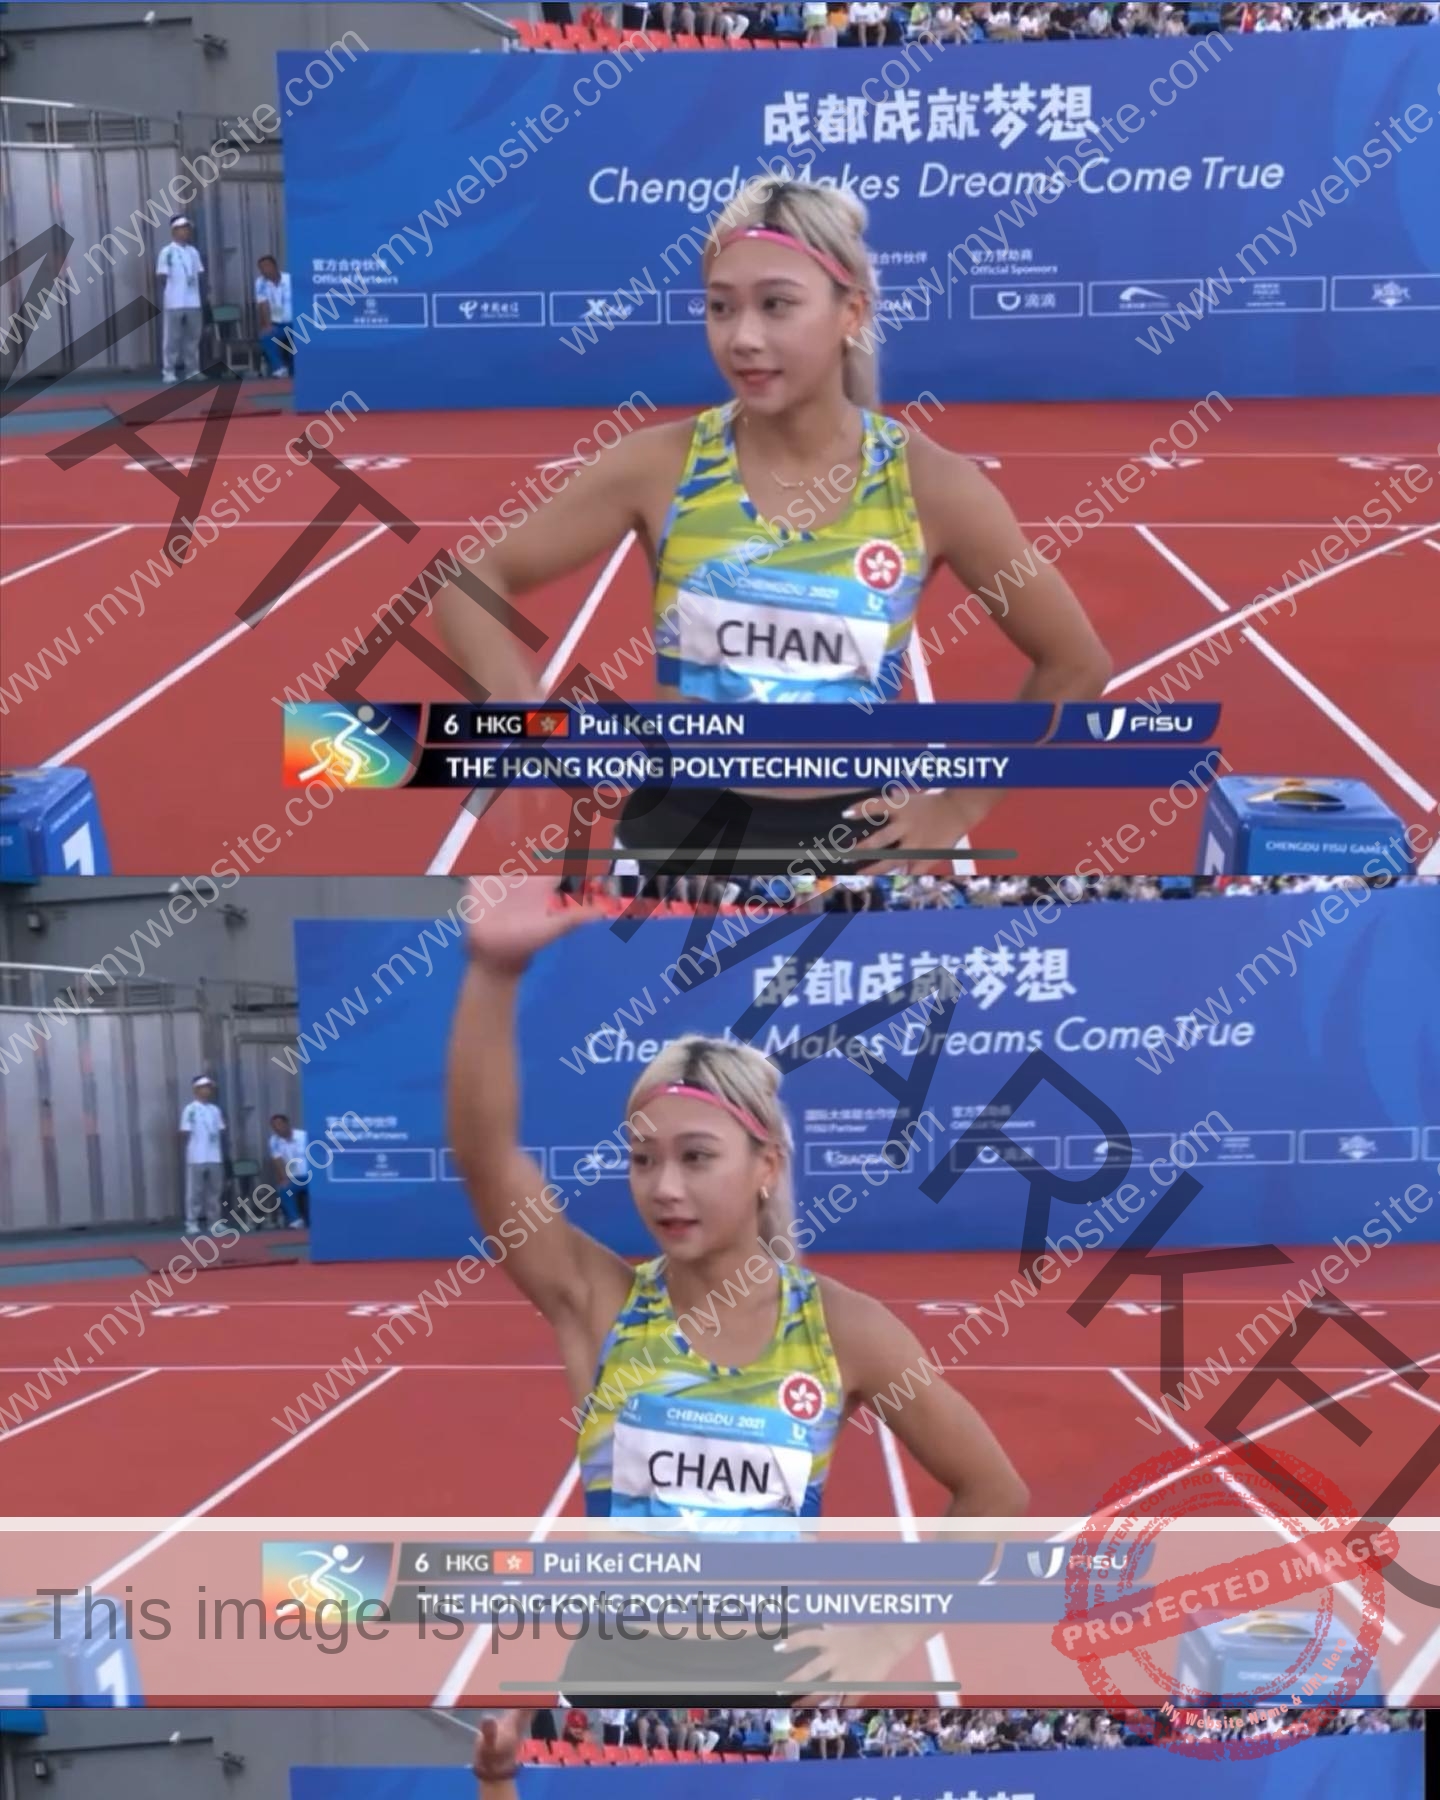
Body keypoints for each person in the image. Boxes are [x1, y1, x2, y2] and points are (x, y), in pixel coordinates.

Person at [448, 875, 1027, 1701]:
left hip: (772, 1693)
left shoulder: (842, 1328)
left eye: (696, 1156)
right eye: (643, 1159)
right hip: (615, 1697)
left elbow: (994, 1490)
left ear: (766, 1167)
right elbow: (485, 1157)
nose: (664, 1189)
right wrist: (493, 975)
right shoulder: (600, 1302)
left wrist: (890, 1632)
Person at [436, 176, 1109, 879]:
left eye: (777, 306)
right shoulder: (658, 466)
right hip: (679, 838)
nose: (743, 337)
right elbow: (471, 577)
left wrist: (959, 808)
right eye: (720, 308)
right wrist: (511, 699)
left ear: (852, 313)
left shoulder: (929, 486)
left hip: (851, 849)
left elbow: (1075, 662)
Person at [156, 215, 205, 384]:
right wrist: (172, 292)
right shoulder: (167, 252)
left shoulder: (193, 252)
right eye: (183, 228)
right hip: (175, 302)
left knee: (193, 337)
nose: (186, 232)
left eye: (188, 229)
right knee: (172, 338)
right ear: (174, 231)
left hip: (193, 301)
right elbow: (162, 276)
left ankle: (192, 369)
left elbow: (199, 273)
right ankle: (169, 370)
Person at [179, 1075, 226, 1234]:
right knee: (195, 1192)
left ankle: (215, 1222)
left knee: (215, 1191)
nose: (208, 1090)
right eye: (204, 1087)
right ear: (196, 1090)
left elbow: (220, 1130)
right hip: (197, 1157)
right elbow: (185, 1131)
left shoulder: (215, 1110)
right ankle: (192, 1221)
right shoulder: (190, 1109)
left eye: (209, 1087)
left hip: (214, 1156)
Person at [267, 1112, 310, 1228]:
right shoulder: (274, 1141)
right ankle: (295, 1220)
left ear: (287, 1124)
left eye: (279, 1124)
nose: (277, 1128)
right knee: (285, 1190)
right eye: (274, 1126)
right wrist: (284, 1178)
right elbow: (277, 1160)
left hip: (310, 1177)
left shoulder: (304, 1136)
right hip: (294, 1180)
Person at [253, 254, 294, 376]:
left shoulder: (290, 279)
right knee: (266, 336)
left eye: (266, 266)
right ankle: (279, 368)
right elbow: (263, 304)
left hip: (298, 322)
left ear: (275, 266)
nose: (264, 270)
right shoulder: (260, 282)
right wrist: (267, 325)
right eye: (261, 268)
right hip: (278, 324)